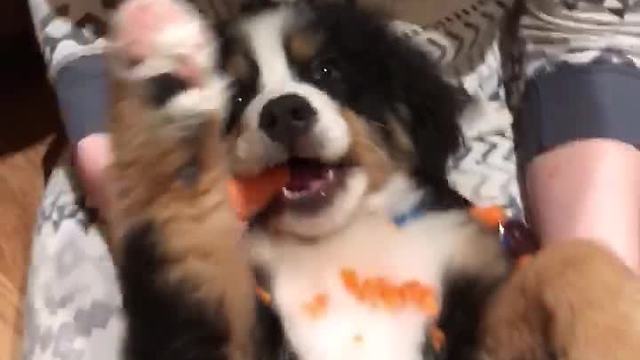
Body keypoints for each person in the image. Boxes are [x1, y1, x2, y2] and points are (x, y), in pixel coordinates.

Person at [23, 0, 640, 359]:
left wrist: (589, 280)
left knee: (577, 270)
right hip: (183, 184)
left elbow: (585, 30)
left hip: (460, 114)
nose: (284, 106)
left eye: (324, 76)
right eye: (246, 94)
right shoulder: (237, 269)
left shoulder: (442, 232)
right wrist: (172, 189)